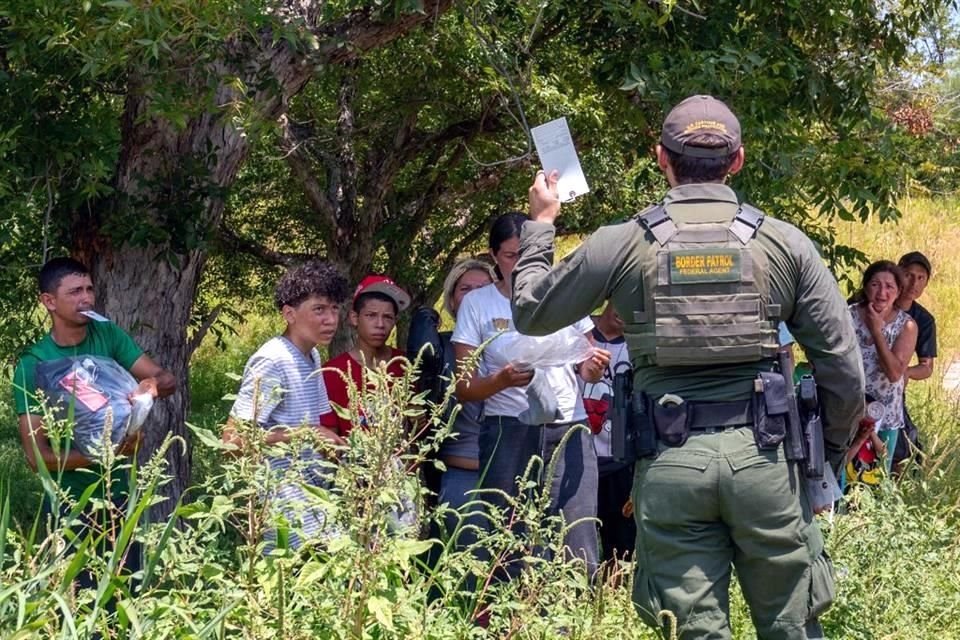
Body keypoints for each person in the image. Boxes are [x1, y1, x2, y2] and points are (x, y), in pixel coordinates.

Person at [512, 95, 864, 639]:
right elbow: (842, 369)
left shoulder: (624, 242)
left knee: (693, 630)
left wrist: (541, 221)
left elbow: (532, 311)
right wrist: (823, 461)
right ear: (738, 159)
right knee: (792, 626)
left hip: (670, 461)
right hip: (767, 461)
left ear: (661, 158)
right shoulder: (783, 243)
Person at [451, 212, 609, 579]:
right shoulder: (479, 304)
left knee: (576, 532)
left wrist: (594, 367)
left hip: (568, 424)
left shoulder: (564, 299)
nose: (522, 265)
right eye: (511, 256)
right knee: (506, 533)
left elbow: (585, 366)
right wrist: (503, 380)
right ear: (494, 256)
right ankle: (507, 620)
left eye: (530, 255)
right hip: (508, 429)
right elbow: (464, 387)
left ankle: (572, 617)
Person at [13, 257, 176, 581]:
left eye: (89, 289)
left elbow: (165, 378)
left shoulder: (108, 336)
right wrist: (105, 455)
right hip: (70, 504)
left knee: (125, 599)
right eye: (74, 292)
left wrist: (150, 387)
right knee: (80, 606)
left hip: (121, 499)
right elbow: (38, 459)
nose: (86, 298)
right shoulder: (34, 365)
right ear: (49, 301)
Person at [223, 260, 350, 549]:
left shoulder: (312, 356)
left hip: (313, 507)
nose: (330, 319)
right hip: (283, 516)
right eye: (319, 309)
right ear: (289, 314)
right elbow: (233, 440)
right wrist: (304, 434)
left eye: (334, 309)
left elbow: (318, 429)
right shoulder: (273, 360)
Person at [407, 258, 495, 536]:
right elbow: (417, 421)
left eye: (483, 287)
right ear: (452, 301)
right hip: (459, 474)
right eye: (465, 288)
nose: (475, 295)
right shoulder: (436, 346)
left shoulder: (514, 341)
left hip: (514, 471)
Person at [580, 302, 636, 565]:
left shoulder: (642, 343)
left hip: (622, 460)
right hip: (578, 456)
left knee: (622, 548)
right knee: (576, 543)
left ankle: (614, 601)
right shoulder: (577, 331)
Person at [849, 260, 917, 473]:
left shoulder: (906, 325)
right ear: (866, 286)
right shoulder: (847, 315)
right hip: (847, 409)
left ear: (898, 292)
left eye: (890, 287)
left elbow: (894, 373)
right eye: (876, 284)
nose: (882, 293)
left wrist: (877, 330)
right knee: (843, 475)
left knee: (875, 478)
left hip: (884, 414)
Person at [321, 274, 409, 437]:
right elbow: (327, 439)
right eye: (371, 315)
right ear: (355, 318)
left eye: (388, 317)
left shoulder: (407, 366)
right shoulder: (332, 373)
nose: (380, 324)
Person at [894, 251, 936, 470]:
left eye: (921, 278)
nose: (914, 283)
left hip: (892, 385)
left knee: (904, 449)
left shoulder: (924, 320)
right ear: (898, 273)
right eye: (909, 275)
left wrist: (907, 372)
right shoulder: (876, 299)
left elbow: (927, 367)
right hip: (857, 381)